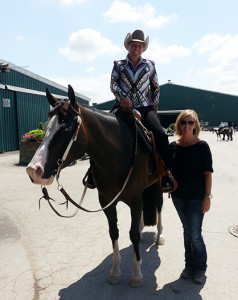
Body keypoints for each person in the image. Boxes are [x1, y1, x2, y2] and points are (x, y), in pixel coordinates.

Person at [110, 29, 175, 191]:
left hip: (145, 108)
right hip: (122, 107)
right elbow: (113, 84)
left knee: (160, 134)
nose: (136, 49)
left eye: (140, 46)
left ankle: (166, 172)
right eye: (133, 45)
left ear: (143, 48)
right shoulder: (118, 65)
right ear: (128, 46)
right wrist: (121, 98)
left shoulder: (150, 65)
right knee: (103, 129)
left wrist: (154, 107)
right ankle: (93, 172)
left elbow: (156, 88)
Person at [169, 109, 213, 284]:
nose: (186, 126)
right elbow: (166, 169)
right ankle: (189, 265)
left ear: (195, 125)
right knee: (187, 231)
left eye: (190, 122)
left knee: (194, 234)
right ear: (179, 124)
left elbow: (208, 173)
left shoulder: (202, 146)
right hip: (178, 197)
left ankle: (200, 268)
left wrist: (207, 196)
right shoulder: (173, 146)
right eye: (183, 122)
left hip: (196, 198)